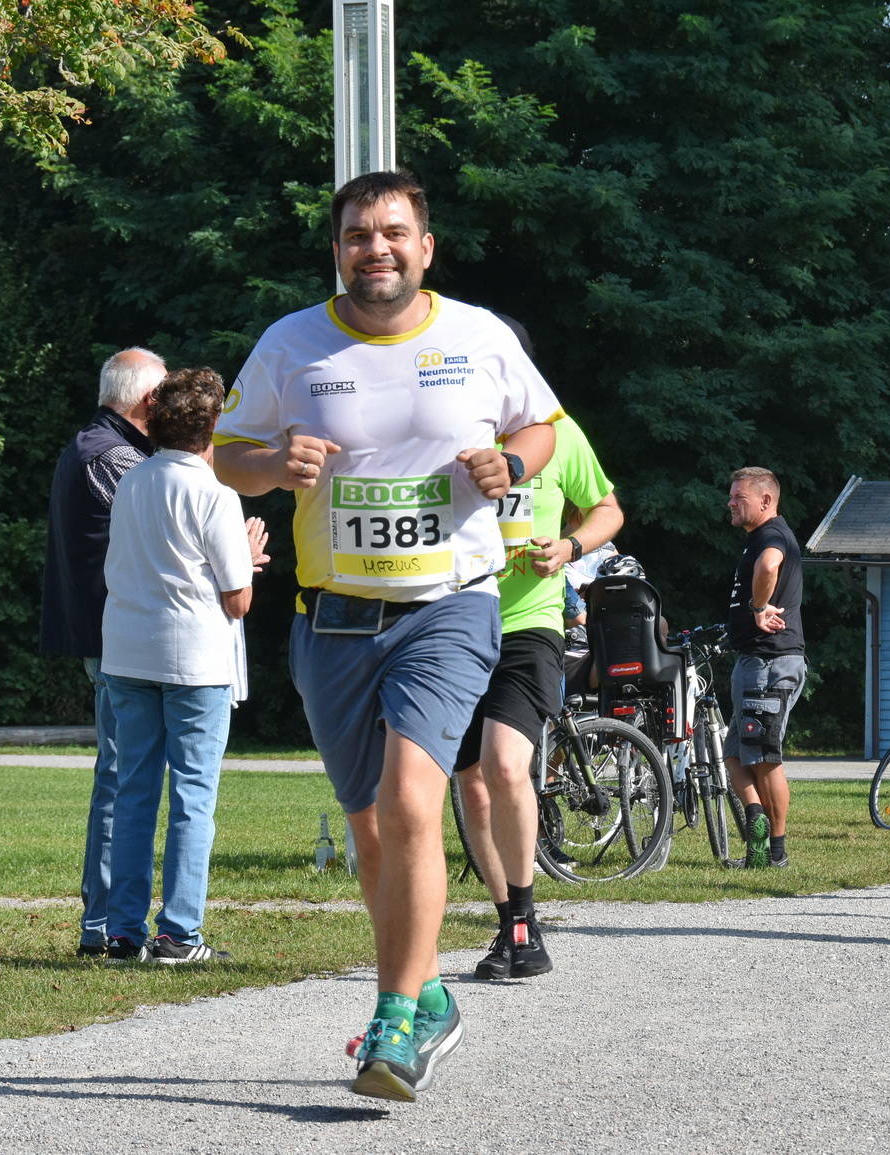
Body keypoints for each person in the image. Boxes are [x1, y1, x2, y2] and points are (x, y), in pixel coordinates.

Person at [213, 170, 560, 1103]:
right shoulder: (291, 344)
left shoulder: (479, 337)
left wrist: (508, 458)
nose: (378, 248)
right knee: (372, 833)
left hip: (449, 606)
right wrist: (273, 461)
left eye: (394, 232)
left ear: (425, 247)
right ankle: (431, 991)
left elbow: (545, 430)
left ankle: (397, 1018)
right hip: (331, 621)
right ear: (339, 251)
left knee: (414, 801)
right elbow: (222, 453)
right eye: (359, 235)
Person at [100, 368, 266, 965]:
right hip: (194, 657)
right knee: (193, 795)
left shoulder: (131, 482)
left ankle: (122, 932)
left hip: (127, 650)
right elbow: (236, 599)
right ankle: (178, 933)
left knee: (134, 793)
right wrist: (247, 559)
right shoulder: (216, 493)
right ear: (213, 425)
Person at [453, 412, 622, 981]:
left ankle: (525, 922)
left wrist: (571, 548)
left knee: (505, 766)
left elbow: (608, 508)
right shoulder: (444, 423)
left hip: (529, 622)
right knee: (470, 783)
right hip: (450, 623)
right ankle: (508, 920)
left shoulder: (559, 432)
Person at [40, 347, 164, 958]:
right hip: (119, 640)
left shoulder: (91, 444)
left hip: (111, 635)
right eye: (165, 395)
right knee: (121, 778)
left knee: (122, 776)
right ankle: (106, 927)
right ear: (147, 400)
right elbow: (158, 542)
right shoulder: (114, 456)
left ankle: (109, 923)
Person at [724, 466, 805, 868]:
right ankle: (756, 824)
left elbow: (769, 566)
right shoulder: (758, 537)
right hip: (754, 661)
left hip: (770, 662)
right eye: (731, 495)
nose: (731, 503)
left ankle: (775, 852)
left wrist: (757, 609)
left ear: (765, 501)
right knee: (735, 756)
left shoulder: (772, 536)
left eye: (739, 496)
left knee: (765, 757)